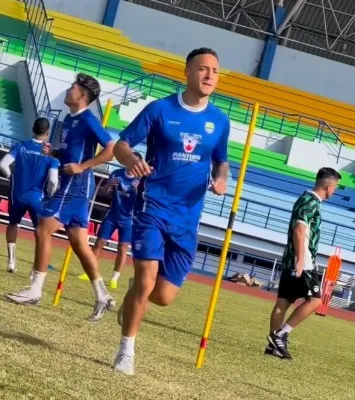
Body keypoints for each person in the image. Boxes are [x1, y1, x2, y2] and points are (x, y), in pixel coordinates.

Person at [111, 47, 230, 375]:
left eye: (215, 71)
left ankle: (134, 296)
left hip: (188, 217)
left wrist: (221, 180)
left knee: (162, 296)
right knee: (147, 280)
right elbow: (121, 144)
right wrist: (132, 160)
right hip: (153, 207)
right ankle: (126, 352)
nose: (209, 76)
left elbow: (221, 160)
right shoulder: (159, 110)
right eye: (203, 69)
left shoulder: (220, 120)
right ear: (187, 73)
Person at [6, 73, 116, 322]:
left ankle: (35, 289)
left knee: (43, 228)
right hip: (73, 185)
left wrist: (83, 166)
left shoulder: (89, 119)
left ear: (83, 95)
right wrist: (54, 150)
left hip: (75, 186)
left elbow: (111, 150)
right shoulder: (69, 118)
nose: (68, 90)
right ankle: (102, 296)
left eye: (72, 87)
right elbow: (70, 151)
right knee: (78, 243)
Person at [265, 167, 341, 360]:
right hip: (303, 259)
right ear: (328, 185)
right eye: (336, 187)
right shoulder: (310, 202)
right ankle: (282, 334)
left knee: (283, 301)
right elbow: (300, 231)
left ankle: (273, 345)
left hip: (293, 257)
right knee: (316, 300)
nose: (335, 191)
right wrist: (300, 260)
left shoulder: (305, 199)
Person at [0, 117, 59, 273]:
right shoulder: (50, 155)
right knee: (41, 232)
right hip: (37, 197)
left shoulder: (21, 146)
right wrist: (50, 195)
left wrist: (11, 177)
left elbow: (3, 165)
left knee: (13, 224)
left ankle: (11, 262)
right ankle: (36, 268)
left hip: (17, 193)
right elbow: (53, 181)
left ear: (33, 129)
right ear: (47, 132)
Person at [91, 153, 142, 289]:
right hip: (112, 214)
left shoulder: (141, 180)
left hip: (128, 219)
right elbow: (104, 190)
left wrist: (137, 191)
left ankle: (114, 278)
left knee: (122, 248)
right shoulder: (116, 173)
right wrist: (109, 185)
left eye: (137, 163)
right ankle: (90, 271)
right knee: (99, 242)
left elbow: (143, 202)